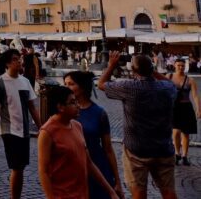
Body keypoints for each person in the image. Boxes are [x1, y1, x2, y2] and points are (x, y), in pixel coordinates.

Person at [98, 52, 178, 199]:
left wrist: (111, 66)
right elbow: (173, 84)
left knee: (138, 193)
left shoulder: (129, 87)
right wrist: (151, 70)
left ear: (134, 71)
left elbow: (101, 84)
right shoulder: (166, 88)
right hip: (163, 148)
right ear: (151, 69)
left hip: (136, 150)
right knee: (169, 192)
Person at [38, 85, 120, 199]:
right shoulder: (47, 132)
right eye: (72, 102)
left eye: (76, 101)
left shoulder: (77, 126)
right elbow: (44, 171)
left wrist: (110, 191)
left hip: (82, 194)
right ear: (60, 107)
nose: (78, 106)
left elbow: (89, 163)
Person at [0, 48, 41, 199]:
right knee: (17, 167)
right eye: (15, 60)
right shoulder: (0, 83)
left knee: (21, 168)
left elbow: (32, 107)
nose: (19, 62)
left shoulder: (25, 82)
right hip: (9, 130)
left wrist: (41, 127)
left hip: (23, 130)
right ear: (7, 64)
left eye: (19, 59)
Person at [64, 71, 123, 198]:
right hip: (71, 169)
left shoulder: (99, 113)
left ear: (83, 87)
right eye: (65, 84)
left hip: (97, 167)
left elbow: (108, 149)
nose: (67, 88)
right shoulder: (63, 112)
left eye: (71, 84)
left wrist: (117, 181)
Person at [168, 57, 201, 166]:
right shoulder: (169, 77)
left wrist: (199, 109)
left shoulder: (190, 80)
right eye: (179, 65)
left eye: (183, 65)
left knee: (185, 133)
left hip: (186, 108)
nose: (181, 67)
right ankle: (177, 153)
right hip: (174, 108)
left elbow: (195, 96)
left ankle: (184, 156)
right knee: (176, 132)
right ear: (175, 66)